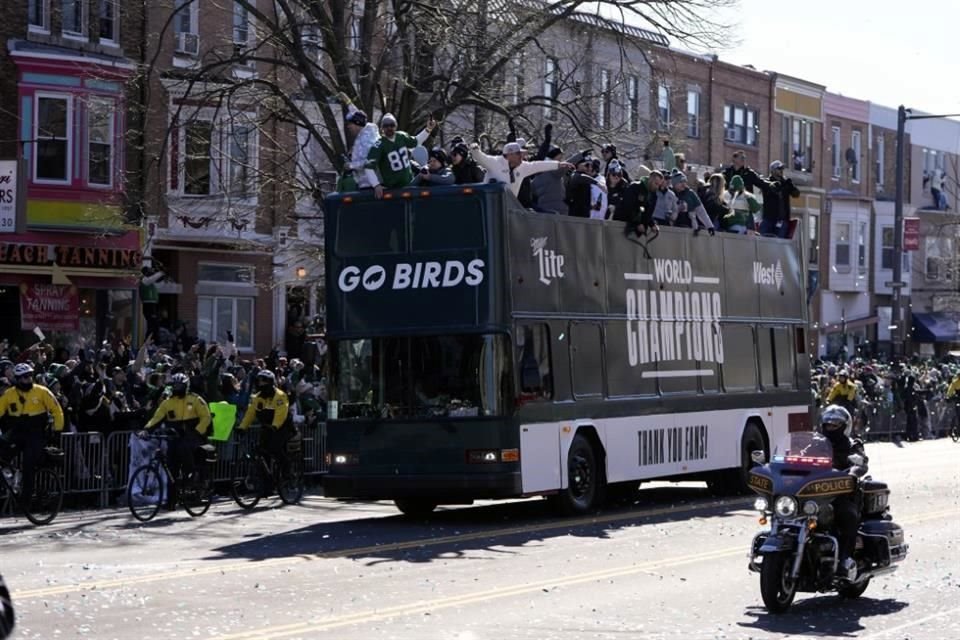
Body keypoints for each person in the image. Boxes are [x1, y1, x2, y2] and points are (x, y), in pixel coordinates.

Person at [0, 363, 64, 505]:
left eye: (30, 376)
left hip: (35, 435)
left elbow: (57, 410)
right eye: (24, 377)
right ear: (17, 379)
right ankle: (11, 479)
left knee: (29, 464)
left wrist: (57, 430)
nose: (28, 379)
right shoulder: (9, 394)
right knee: (2, 456)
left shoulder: (42, 391)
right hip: (17, 433)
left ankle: (26, 498)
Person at [819, 404, 868, 582]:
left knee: (846, 515)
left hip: (842, 492)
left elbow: (861, 463)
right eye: (828, 424)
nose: (830, 428)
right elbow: (798, 457)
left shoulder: (852, 444)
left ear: (844, 426)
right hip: (815, 492)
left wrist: (854, 472)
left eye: (835, 425)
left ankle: (844, 559)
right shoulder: (816, 443)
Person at [140, 372, 212, 492]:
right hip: (174, 437)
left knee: (186, 453)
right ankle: (171, 500)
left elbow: (206, 417)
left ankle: (192, 480)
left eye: (180, 386)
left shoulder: (195, 399)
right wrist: (147, 429)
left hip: (192, 436)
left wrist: (197, 431)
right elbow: (156, 418)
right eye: (175, 385)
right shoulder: (167, 403)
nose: (178, 388)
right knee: (171, 467)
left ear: (186, 386)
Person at [237, 370, 296, 479]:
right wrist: (242, 427)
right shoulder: (257, 397)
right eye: (259, 382)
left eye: (264, 382)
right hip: (267, 427)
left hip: (282, 427)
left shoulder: (280, 396)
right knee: (262, 452)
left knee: (275, 448)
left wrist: (275, 426)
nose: (261, 384)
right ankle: (266, 484)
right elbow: (250, 413)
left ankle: (287, 470)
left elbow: (280, 414)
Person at [365, 113, 437, 198]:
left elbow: (416, 142)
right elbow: (368, 166)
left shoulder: (401, 136)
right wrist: (376, 185)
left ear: (396, 126)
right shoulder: (379, 145)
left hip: (410, 183)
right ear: (382, 128)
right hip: (393, 190)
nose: (389, 128)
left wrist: (428, 129)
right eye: (386, 125)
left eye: (392, 125)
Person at [469, 141, 573, 200]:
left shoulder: (523, 167)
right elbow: (480, 157)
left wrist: (558, 164)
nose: (522, 156)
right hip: (491, 206)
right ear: (509, 155)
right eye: (519, 153)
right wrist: (475, 149)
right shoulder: (494, 162)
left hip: (509, 208)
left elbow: (538, 165)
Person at [340, 96, 381, 190]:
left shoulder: (365, 141)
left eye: (351, 124)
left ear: (357, 123)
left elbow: (369, 162)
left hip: (369, 185)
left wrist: (350, 166)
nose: (348, 127)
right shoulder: (369, 131)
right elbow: (358, 115)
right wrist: (349, 102)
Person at [758, 161, 800, 238]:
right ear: (773, 170)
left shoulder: (786, 183)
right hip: (768, 219)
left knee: (779, 242)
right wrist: (783, 187)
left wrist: (790, 185)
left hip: (782, 220)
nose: (781, 171)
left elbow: (796, 194)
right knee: (761, 239)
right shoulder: (767, 182)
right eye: (779, 168)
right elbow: (774, 191)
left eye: (782, 169)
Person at [530, 146, 569, 214]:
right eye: (560, 157)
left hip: (543, 209)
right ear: (553, 156)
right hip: (558, 210)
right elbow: (567, 165)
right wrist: (580, 156)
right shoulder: (554, 170)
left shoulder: (537, 174)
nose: (561, 160)